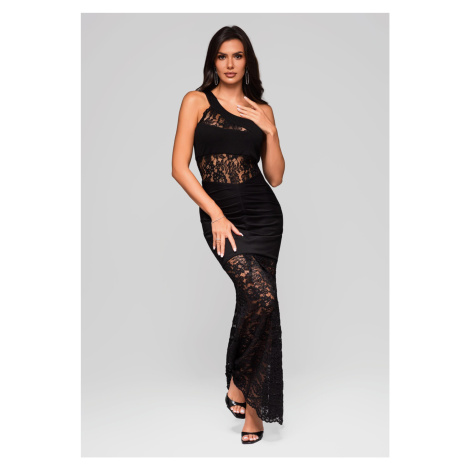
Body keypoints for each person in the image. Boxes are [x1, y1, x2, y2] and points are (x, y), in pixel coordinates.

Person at [171, 25, 285, 445]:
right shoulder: (196, 101)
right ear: (213, 62)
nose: (230, 64)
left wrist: (270, 130)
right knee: (261, 297)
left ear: (247, 61)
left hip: (263, 216)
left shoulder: (262, 108)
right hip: (222, 216)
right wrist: (215, 214)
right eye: (222, 56)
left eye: (237, 56)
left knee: (259, 303)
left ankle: (251, 407)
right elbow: (179, 167)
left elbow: (275, 177)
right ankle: (238, 379)